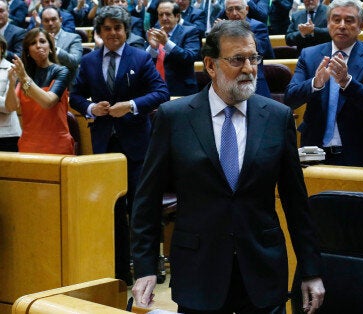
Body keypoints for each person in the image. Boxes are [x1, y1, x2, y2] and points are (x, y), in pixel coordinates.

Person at [131, 20, 325, 313]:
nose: (249, 68)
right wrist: (145, 267)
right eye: (237, 60)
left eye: (253, 58)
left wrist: (310, 269)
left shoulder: (277, 116)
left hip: (262, 269)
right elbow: (147, 199)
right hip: (199, 270)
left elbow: (296, 202)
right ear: (211, 65)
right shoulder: (174, 117)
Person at [69, 5, 169, 284]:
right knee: (112, 210)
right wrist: (91, 109)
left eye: (118, 28)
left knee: (141, 208)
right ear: (99, 32)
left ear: (126, 30)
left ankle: (148, 267)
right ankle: (120, 272)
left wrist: (132, 106)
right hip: (104, 147)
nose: (113, 33)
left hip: (137, 147)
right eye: (107, 28)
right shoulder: (89, 61)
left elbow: (161, 92)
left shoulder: (139, 57)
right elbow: (75, 97)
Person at [284, 0, 363, 168]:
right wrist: (315, 84)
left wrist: (346, 82)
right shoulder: (309, 55)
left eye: (349, 20)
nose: (341, 25)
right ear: (328, 23)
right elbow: (290, 99)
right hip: (315, 152)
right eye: (336, 19)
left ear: (361, 25)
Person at [5, 28, 73, 154]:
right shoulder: (24, 75)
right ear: (28, 51)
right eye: (32, 43)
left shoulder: (61, 71)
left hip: (57, 145)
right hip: (28, 144)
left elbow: (48, 102)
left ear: (50, 47)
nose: (38, 46)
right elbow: (11, 107)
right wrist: (11, 83)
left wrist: (24, 78)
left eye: (42, 41)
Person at [219, 0, 272, 97]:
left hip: (253, 80)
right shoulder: (221, 31)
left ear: (246, 9)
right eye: (230, 10)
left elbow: (260, 50)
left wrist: (231, 32)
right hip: (228, 82)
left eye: (238, 8)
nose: (234, 13)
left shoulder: (258, 26)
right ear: (226, 13)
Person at [146, 0, 200, 96]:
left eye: (167, 14)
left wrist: (166, 43)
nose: (164, 18)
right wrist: (153, 48)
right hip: (156, 89)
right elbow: (146, 63)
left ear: (177, 16)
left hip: (181, 90)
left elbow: (190, 57)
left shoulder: (190, 31)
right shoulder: (155, 32)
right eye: (161, 15)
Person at [40, 6, 82, 83]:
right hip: (41, 85)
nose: (50, 23)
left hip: (66, 86)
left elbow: (75, 62)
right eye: (46, 20)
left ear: (61, 20)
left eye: (53, 19)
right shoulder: (37, 41)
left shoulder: (73, 38)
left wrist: (54, 49)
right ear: (42, 22)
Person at [0, 35, 21, 152]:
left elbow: (9, 106)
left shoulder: (12, 69)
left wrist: (5, 102)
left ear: (1, 48)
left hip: (6, 136)